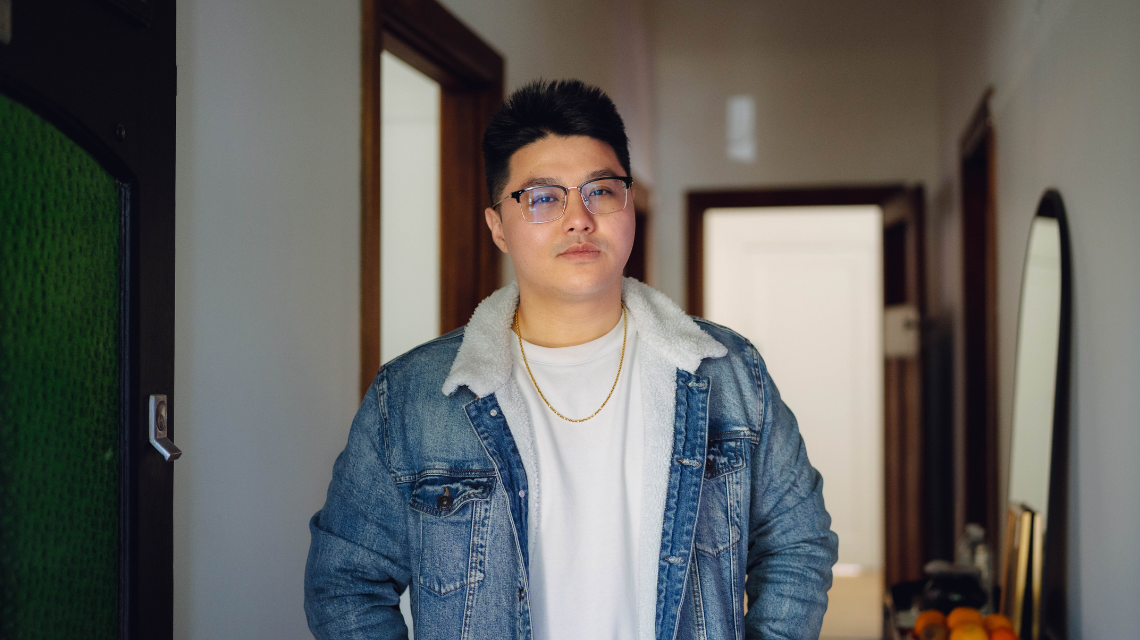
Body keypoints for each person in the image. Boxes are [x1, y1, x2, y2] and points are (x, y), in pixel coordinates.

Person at [304, 79, 838, 640]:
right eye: (542, 197)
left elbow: (797, 542)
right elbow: (345, 583)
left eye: (600, 191)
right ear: (498, 227)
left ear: (629, 204)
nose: (578, 218)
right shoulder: (413, 396)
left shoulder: (729, 372)